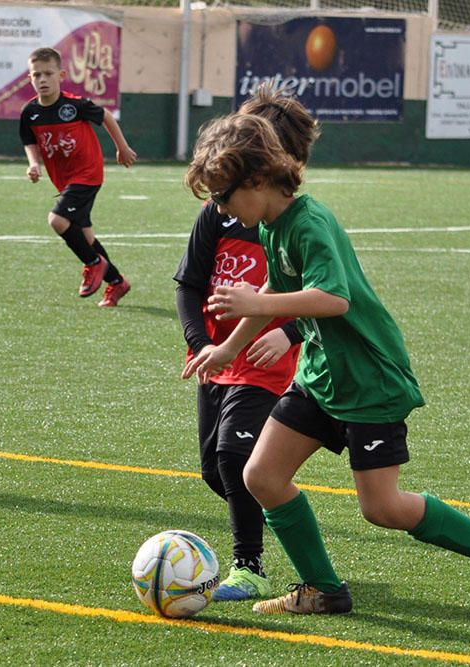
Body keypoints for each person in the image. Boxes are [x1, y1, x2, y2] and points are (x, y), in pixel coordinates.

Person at [182, 113, 470, 623]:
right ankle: (323, 590)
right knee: (262, 474)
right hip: (325, 375)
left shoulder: (309, 223)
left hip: (369, 380)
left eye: (221, 196)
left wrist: (255, 310)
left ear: (257, 180)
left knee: (382, 508)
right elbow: (274, 292)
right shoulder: (274, 226)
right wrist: (230, 349)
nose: (220, 209)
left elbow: (334, 299)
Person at [173, 86, 319, 601]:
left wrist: (287, 332)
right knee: (216, 468)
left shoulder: (297, 222)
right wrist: (198, 344)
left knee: (236, 458)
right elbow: (189, 284)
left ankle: (249, 566)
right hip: (218, 356)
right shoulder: (218, 212)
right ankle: (292, 525)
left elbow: (323, 295)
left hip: (266, 359)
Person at [19, 47, 137, 307]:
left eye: (48, 73)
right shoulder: (29, 112)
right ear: (30, 78)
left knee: (57, 220)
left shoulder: (74, 105)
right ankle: (117, 283)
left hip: (87, 174)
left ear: (61, 75)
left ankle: (93, 263)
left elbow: (105, 115)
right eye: (36, 74)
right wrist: (33, 164)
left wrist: (122, 147)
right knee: (85, 236)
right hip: (64, 181)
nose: (42, 79)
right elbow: (30, 141)